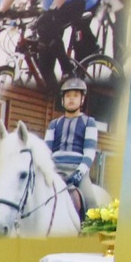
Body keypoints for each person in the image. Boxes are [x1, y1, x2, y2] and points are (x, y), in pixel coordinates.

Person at [45, 75, 98, 210]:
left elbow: (90, 153)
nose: (71, 98)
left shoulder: (89, 122)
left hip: (77, 170)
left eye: (75, 95)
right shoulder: (53, 124)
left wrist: (79, 173)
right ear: (63, 100)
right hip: (55, 170)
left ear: (82, 99)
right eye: (68, 96)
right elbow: (46, 151)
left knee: (91, 204)